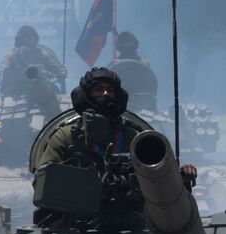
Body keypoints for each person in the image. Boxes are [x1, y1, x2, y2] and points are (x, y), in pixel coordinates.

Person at [40, 67, 196, 181]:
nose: (106, 94)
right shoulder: (66, 137)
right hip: (75, 218)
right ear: (85, 96)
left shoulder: (132, 137)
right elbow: (43, 178)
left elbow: (160, 174)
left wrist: (181, 174)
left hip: (130, 215)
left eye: (110, 90)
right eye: (98, 89)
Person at [0, 25, 67, 98]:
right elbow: (3, 77)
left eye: (32, 38)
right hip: (17, 96)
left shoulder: (42, 54)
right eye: (27, 39)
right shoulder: (11, 57)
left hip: (43, 94)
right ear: (20, 41)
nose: (31, 41)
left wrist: (61, 73)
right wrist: (24, 74)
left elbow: (58, 68)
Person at [109, 31, 159, 111]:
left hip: (142, 104)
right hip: (119, 103)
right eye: (126, 41)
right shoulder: (114, 64)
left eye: (130, 41)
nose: (129, 44)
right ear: (120, 44)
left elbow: (150, 84)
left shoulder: (144, 62)